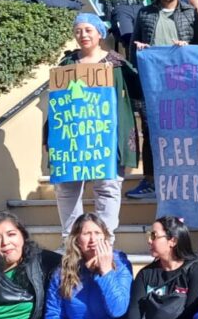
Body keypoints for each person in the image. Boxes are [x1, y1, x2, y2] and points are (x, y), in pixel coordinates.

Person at [54, 13, 139, 239]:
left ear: (100, 33)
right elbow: (57, 103)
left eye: (88, 30)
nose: (83, 35)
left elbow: (141, 87)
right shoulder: (67, 64)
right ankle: (70, 240)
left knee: (107, 187)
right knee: (67, 189)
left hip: (106, 139)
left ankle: (105, 238)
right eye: (78, 31)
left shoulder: (117, 65)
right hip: (73, 138)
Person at [126, 0, 198, 202]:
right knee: (151, 132)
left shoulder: (191, 13)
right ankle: (149, 180)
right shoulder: (145, 13)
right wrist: (141, 56)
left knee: (185, 133)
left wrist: (187, 50)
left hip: (184, 85)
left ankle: (187, 179)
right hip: (153, 86)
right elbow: (133, 49)